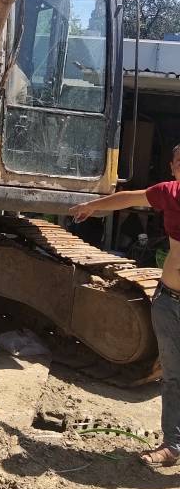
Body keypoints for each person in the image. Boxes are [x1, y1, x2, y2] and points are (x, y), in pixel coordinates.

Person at [70, 143, 180, 467]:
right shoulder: (170, 193)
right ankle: (173, 445)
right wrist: (93, 205)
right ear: (173, 167)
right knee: (173, 376)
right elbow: (130, 198)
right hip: (169, 301)